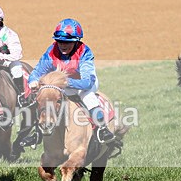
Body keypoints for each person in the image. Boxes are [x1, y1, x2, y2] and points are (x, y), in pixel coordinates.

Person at [20, 18, 116, 146]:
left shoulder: (84, 52)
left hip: (83, 85)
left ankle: (102, 129)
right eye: (60, 41)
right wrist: (33, 80)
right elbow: (37, 71)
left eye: (67, 42)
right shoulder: (52, 51)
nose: (63, 45)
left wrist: (66, 82)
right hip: (61, 86)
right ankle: (37, 133)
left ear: (76, 41)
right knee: (43, 99)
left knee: (88, 98)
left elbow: (87, 82)